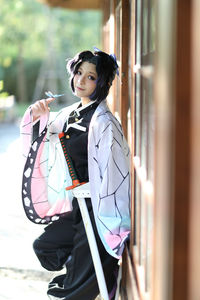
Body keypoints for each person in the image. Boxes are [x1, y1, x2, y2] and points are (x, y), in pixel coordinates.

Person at [20, 49, 130, 300]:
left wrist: (114, 222)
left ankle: (95, 271)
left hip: (98, 211)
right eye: (79, 73)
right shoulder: (71, 113)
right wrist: (38, 117)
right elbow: (43, 144)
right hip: (77, 208)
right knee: (45, 247)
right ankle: (81, 265)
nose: (81, 80)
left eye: (90, 77)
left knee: (75, 289)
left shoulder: (104, 123)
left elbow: (114, 175)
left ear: (102, 82)